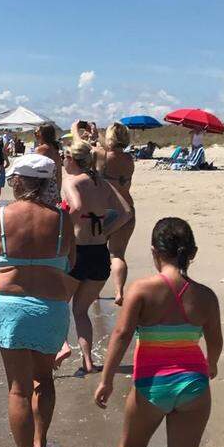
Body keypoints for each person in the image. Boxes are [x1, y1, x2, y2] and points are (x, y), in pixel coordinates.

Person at [94, 217, 222, 447]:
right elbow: (216, 344)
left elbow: (121, 336)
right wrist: (210, 365)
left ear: (154, 252)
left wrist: (106, 378)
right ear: (191, 253)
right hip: (193, 385)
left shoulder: (142, 289)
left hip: (152, 383)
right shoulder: (206, 296)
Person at [0, 153, 77, 447]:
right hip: (50, 307)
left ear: (17, 181)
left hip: (11, 307)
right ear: (48, 183)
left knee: (18, 388)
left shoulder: (0, 216)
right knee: (44, 381)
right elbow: (70, 261)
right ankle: (40, 445)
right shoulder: (62, 220)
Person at [55, 141, 132, 374]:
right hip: (100, 253)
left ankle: (63, 345)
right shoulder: (103, 183)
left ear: (72, 159)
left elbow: (76, 207)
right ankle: (88, 362)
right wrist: (106, 230)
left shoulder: (71, 182)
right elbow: (126, 212)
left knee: (58, 305)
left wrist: (63, 226)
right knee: (80, 311)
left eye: (64, 156)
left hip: (78, 252)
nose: (62, 160)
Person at [98, 121, 136, 306]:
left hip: (107, 210)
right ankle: (119, 292)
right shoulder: (129, 159)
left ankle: (95, 290)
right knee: (118, 254)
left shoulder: (102, 156)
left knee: (97, 250)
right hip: (127, 208)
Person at [34, 121, 63, 192]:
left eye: (36, 132)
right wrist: (58, 191)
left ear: (42, 135)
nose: (35, 135)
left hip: (42, 189)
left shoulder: (40, 149)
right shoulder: (55, 150)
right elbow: (59, 174)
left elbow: (35, 172)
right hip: (53, 189)